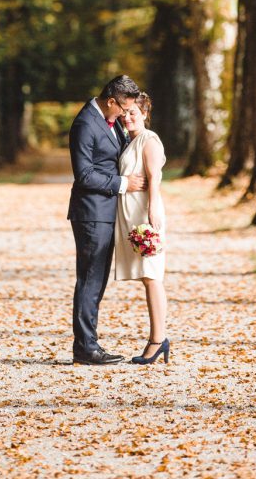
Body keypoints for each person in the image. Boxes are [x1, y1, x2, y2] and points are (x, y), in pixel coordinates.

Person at [67, 75, 146, 365]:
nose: (126, 114)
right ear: (111, 100)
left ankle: (88, 343)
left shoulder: (110, 122)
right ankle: (85, 347)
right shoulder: (86, 123)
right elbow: (84, 174)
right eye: (123, 108)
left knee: (96, 281)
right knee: (90, 279)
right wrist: (123, 184)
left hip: (106, 213)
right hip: (91, 213)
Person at [114, 92, 169, 365]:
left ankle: (158, 340)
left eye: (134, 112)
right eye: (125, 112)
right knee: (147, 277)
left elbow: (154, 178)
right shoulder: (130, 141)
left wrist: (153, 210)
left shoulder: (149, 141)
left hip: (145, 215)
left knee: (152, 276)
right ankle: (157, 339)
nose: (127, 117)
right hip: (131, 212)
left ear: (145, 114)